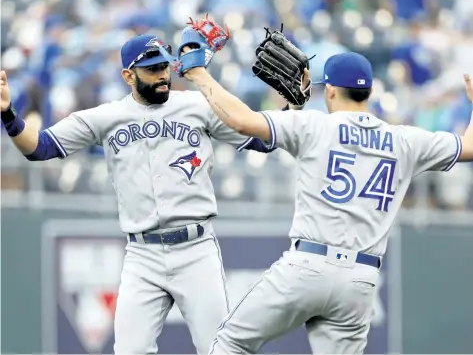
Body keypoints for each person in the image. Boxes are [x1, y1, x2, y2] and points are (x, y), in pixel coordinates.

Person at [0, 34, 307, 354]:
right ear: (127, 76)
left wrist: (293, 106)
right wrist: (9, 115)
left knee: (219, 350)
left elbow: (260, 139)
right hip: (141, 255)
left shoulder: (196, 105)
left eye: (164, 65)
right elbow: (38, 148)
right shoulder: (107, 117)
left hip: (195, 250)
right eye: (151, 68)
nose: (162, 74)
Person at [180, 50, 473, 354]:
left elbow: (241, 122)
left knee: (232, 342)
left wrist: (199, 74)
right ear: (369, 92)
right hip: (361, 279)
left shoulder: (314, 125)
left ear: (330, 90)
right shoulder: (406, 140)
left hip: (308, 265)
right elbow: (469, 147)